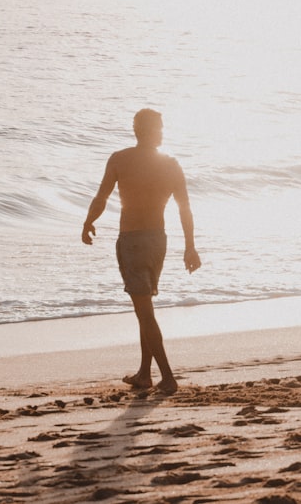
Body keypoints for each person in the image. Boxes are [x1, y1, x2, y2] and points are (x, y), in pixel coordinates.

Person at [81, 108, 201, 394]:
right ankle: (145, 374)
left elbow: (101, 197)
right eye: (159, 128)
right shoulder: (170, 164)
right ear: (146, 130)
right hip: (158, 241)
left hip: (133, 242)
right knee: (144, 309)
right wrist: (190, 247)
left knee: (145, 312)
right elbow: (185, 208)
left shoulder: (120, 159)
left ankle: (168, 377)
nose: (162, 132)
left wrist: (88, 222)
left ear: (136, 130)